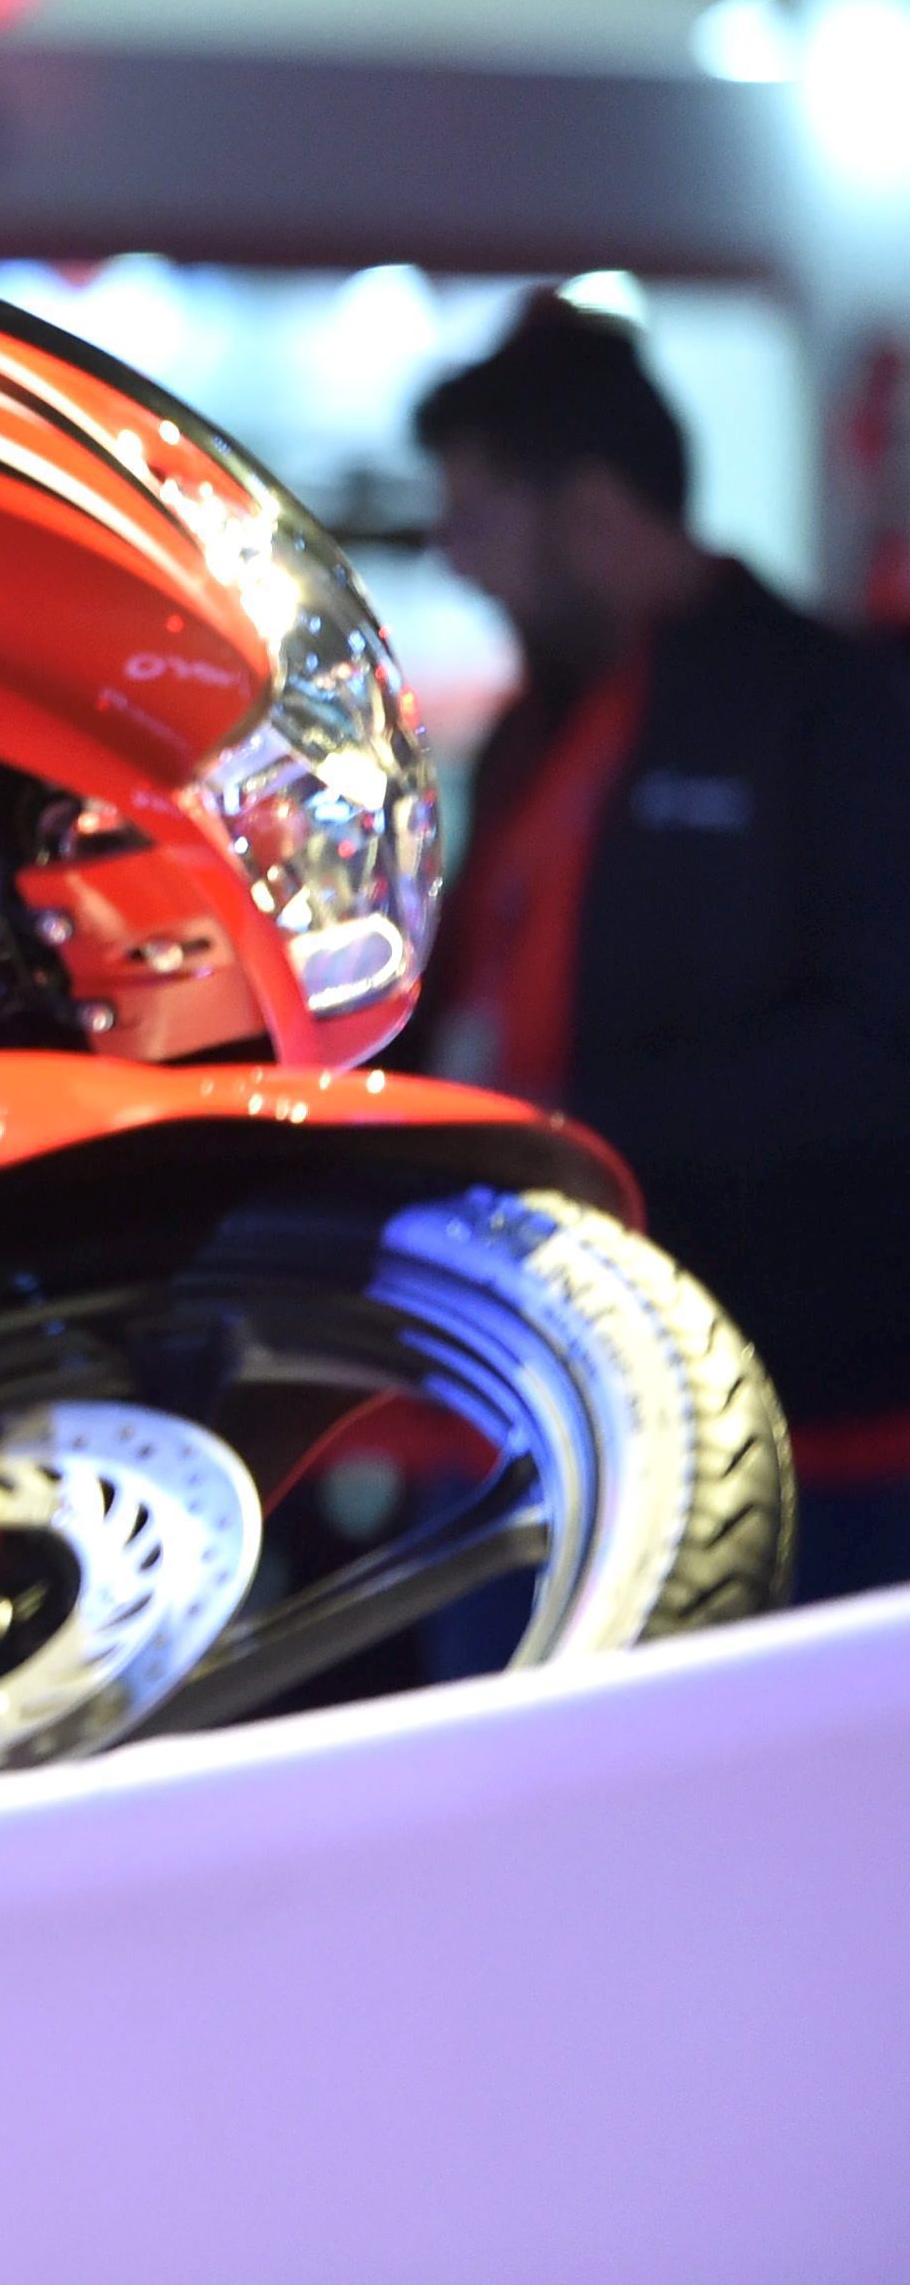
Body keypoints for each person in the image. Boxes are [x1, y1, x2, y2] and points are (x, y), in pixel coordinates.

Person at [407, 295, 910, 1597]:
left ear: (590, 508)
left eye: (476, 513)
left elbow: (878, 1045)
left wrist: (575, 1125)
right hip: (552, 1403)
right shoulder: (534, 727)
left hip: (803, 1421)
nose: (454, 556)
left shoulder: (827, 708)